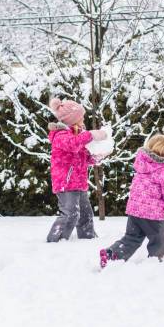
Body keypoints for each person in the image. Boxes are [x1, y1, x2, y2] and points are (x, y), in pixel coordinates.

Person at [100, 134, 164, 268]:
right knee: (161, 238)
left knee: (131, 238)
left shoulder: (142, 164)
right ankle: (157, 263)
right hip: (152, 213)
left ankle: (112, 254)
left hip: (134, 211)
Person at [46, 97, 108, 242]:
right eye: (81, 117)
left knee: (86, 214)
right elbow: (73, 145)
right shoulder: (60, 135)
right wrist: (91, 135)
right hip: (66, 183)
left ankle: (88, 239)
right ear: (71, 120)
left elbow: (82, 157)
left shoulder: (76, 134)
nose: (83, 120)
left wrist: (96, 158)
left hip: (79, 183)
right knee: (70, 214)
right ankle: (55, 241)